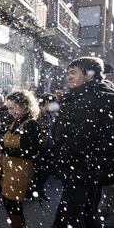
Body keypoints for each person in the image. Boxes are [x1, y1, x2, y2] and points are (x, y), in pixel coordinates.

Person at [52, 57, 114, 228]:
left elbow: (80, 139)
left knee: (70, 217)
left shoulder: (90, 99)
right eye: (68, 73)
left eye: (73, 73)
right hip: (88, 170)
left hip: (82, 169)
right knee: (86, 213)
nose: (69, 77)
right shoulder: (87, 96)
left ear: (90, 75)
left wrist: (59, 158)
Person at [0, 90, 41, 228]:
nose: (10, 111)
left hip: (20, 173)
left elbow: (28, 151)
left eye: (12, 108)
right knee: (9, 203)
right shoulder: (15, 121)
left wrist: (3, 149)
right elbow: (10, 141)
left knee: (13, 204)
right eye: (9, 108)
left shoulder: (31, 124)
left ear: (24, 105)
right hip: (9, 170)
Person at [26, 93, 58, 201]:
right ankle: (33, 192)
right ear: (47, 102)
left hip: (48, 146)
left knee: (45, 170)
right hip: (40, 147)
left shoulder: (49, 114)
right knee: (38, 171)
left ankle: (38, 190)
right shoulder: (37, 114)